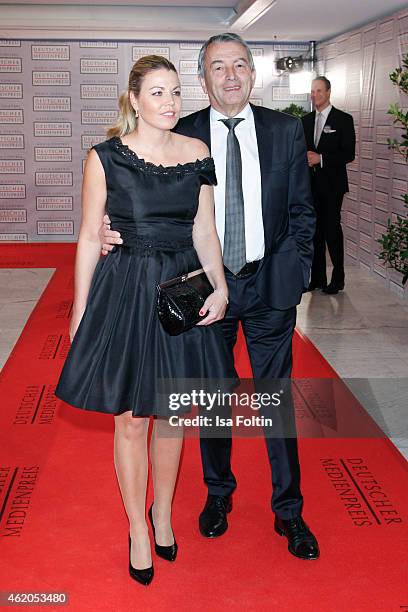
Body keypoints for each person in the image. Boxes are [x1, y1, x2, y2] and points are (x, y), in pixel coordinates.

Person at [101, 34, 319, 560]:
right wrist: (112, 229)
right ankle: (218, 496)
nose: (230, 76)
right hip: (201, 290)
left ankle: (288, 511)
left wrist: (295, 272)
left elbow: (302, 212)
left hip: (270, 287)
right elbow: (139, 194)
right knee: (210, 402)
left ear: (252, 72)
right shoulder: (184, 132)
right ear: (203, 79)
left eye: (239, 65)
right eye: (217, 67)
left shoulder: (285, 130)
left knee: (274, 403)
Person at [55, 55, 235, 586]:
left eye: (176, 92)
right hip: (127, 290)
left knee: (174, 413)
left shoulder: (196, 154)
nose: (170, 102)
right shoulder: (105, 157)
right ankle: (136, 526)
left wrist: (220, 285)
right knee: (132, 418)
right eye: (157, 93)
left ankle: (162, 513)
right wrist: (80, 309)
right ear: (134, 99)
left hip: (180, 289)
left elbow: (205, 230)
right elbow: (90, 236)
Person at [302, 76, 356, 294]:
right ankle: (317, 279)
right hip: (310, 185)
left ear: (328, 92)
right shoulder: (304, 120)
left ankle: (338, 277)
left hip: (333, 185)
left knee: (332, 229)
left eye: (319, 91)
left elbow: (348, 153)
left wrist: (321, 158)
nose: (314, 95)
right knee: (314, 232)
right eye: (312, 91)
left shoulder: (343, 119)